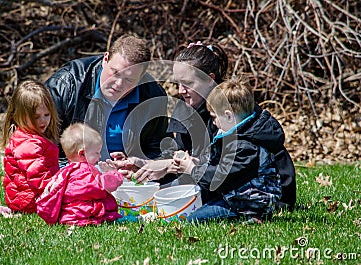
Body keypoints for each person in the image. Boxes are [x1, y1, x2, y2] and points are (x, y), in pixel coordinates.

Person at [110, 41, 296, 210]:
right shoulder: (187, 107)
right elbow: (180, 155)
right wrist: (146, 164)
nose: (181, 90)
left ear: (210, 79)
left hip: (259, 192)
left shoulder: (231, 110)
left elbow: (222, 169)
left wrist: (170, 166)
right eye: (178, 83)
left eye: (188, 83)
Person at [45, 34, 168, 166]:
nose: (119, 84)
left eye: (129, 80)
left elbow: (160, 150)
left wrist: (142, 165)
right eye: (115, 73)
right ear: (105, 59)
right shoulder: (67, 84)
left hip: (126, 181)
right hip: (69, 177)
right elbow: (36, 144)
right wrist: (77, 170)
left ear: (141, 77)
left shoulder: (154, 96)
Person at [173, 77, 282, 223]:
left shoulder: (245, 146)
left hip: (250, 201)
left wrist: (193, 169)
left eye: (214, 117)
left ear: (228, 116)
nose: (213, 122)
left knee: (193, 220)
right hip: (235, 194)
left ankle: (253, 216)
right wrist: (198, 163)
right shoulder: (236, 135)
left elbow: (220, 177)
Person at [36, 123, 124, 226]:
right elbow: (100, 188)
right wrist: (113, 174)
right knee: (118, 217)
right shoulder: (84, 172)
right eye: (96, 153)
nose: (99, 156)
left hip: (69, 216)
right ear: (82, 154)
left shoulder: (65, 172)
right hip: (86, 216)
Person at [1, 80, 59, 213]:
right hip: (30, 201)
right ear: (19, 115)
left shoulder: (32, 136)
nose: (43, 121)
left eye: (46, 115)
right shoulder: (27, 143)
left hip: (30, 196)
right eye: (36, 117)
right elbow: (37, 174)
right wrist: (57, 191)